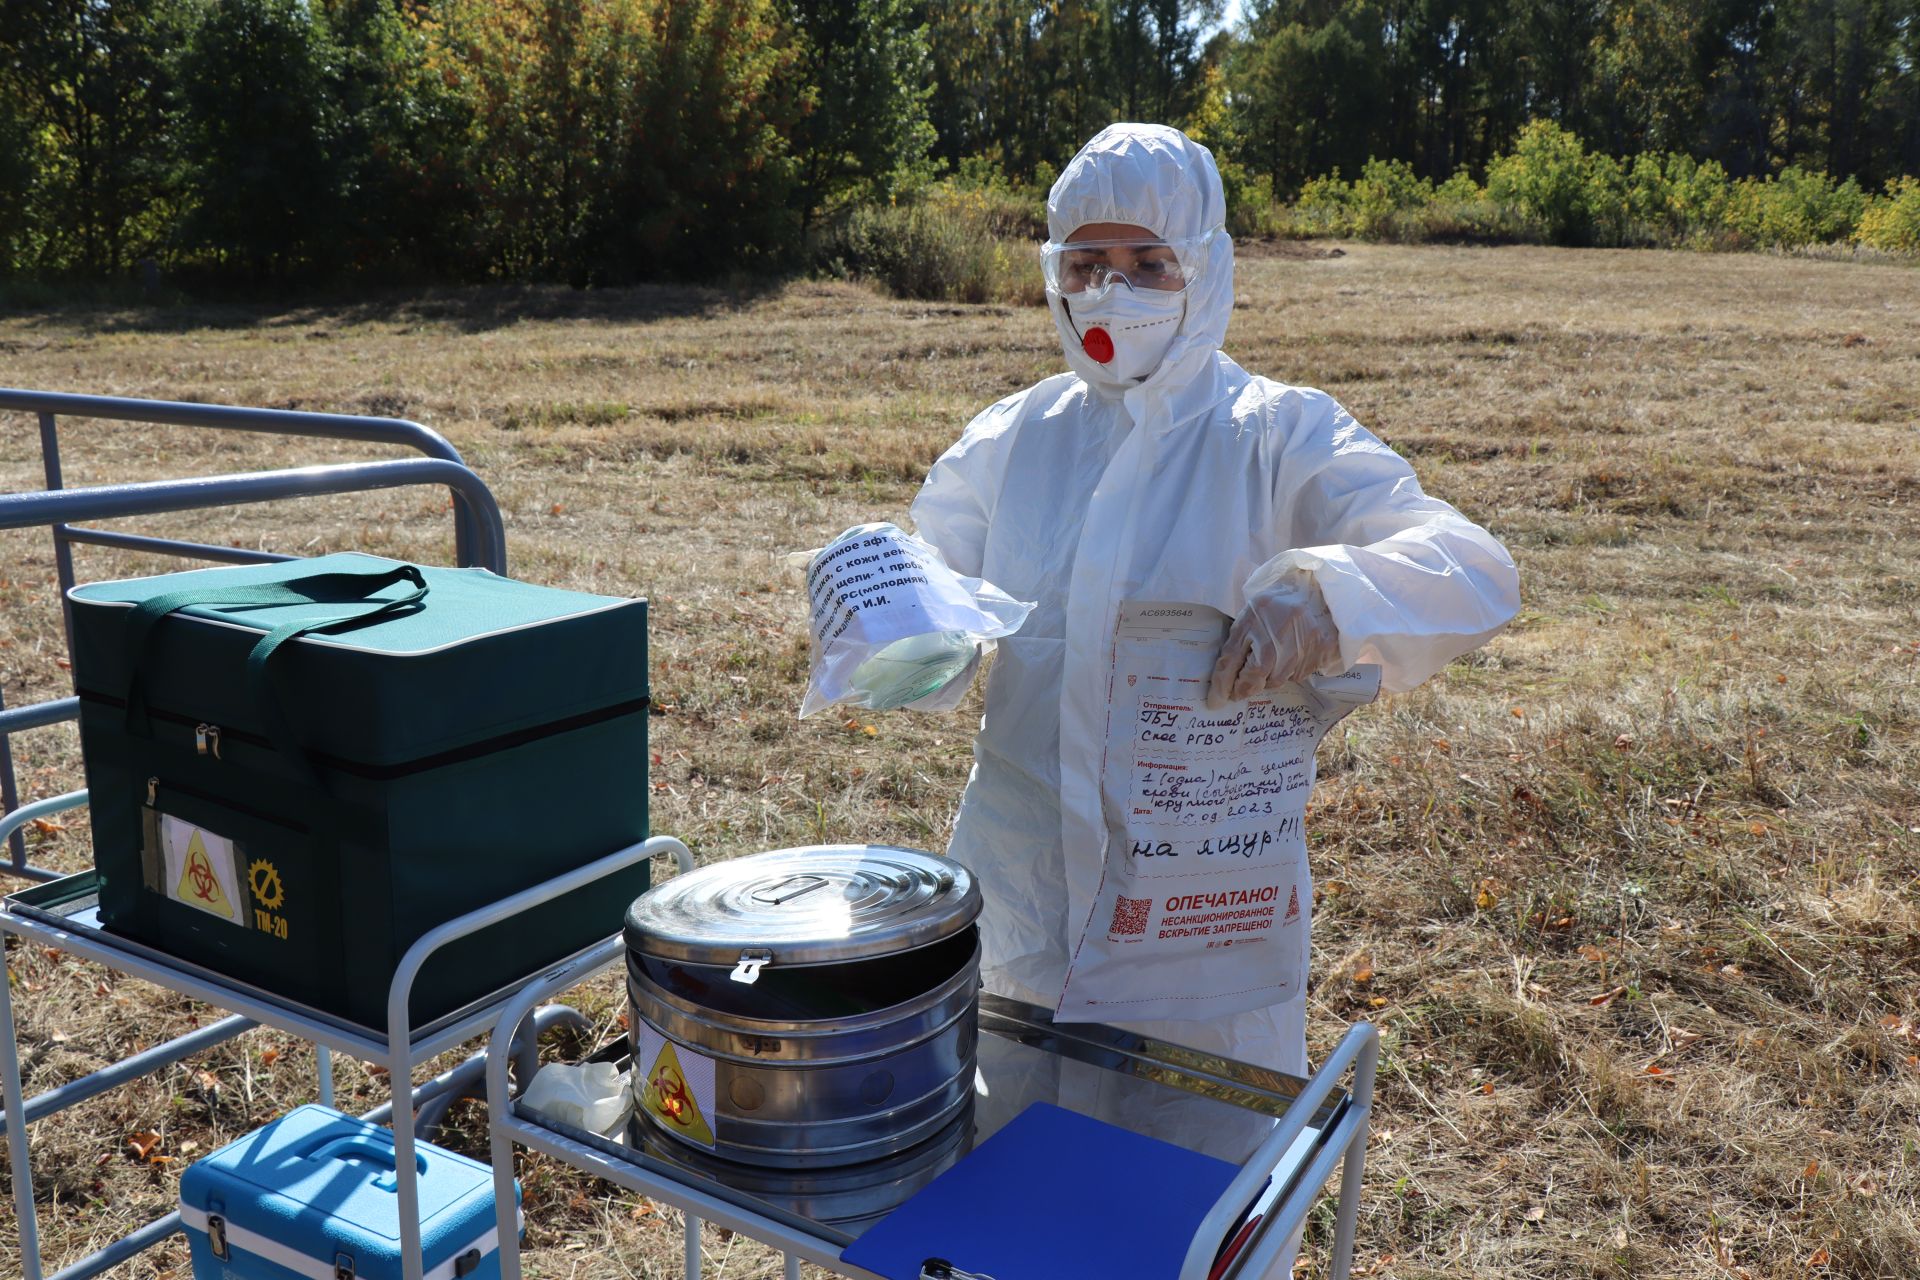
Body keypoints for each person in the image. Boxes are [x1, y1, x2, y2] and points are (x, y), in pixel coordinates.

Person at [907, 121, 1518, 1081]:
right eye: (1086, 263)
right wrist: (885, 618)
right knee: (1009, 1178)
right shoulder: (1018, 436)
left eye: (1149, 262)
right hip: (1024, 897)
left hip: (1203, 923)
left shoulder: (1277, 435)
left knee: (1192, 1189)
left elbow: (1473, 568)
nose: (1112, 290)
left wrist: (1332, 599)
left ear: (1207, 265)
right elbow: (930, 598)